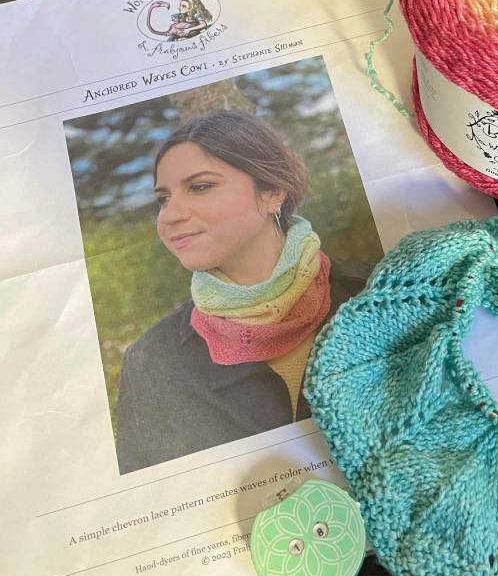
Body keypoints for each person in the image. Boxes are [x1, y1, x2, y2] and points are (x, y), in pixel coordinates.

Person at [115, 110, 370, 474]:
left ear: (273, 192)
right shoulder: (150, 361)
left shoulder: (379, 294)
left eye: (200, 187)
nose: (169, 216)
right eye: (163, 199)